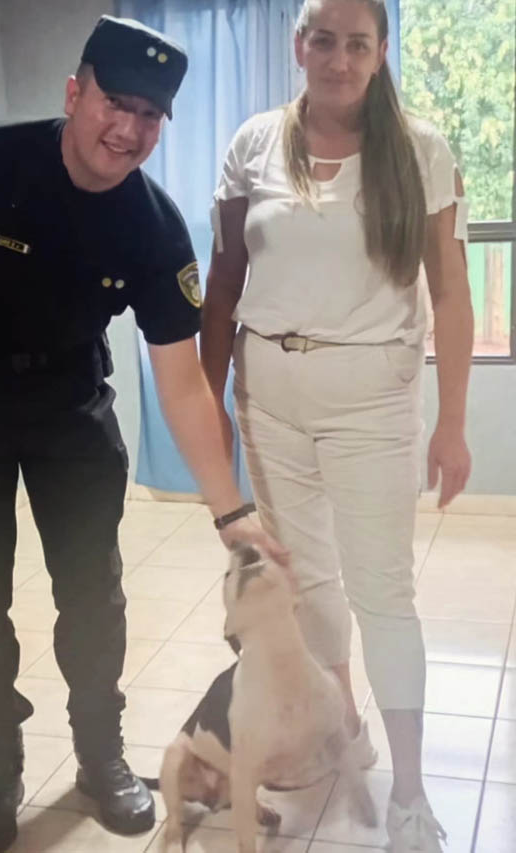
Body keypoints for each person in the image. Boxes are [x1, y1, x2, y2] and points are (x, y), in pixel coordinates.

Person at [0, 15, 286, 853]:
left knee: (94, 594)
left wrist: (230, 511)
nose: (129, 129)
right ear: (75, 93)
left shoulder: (154, 227)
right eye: (115, 102)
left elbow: (182, 383)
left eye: (150, 114)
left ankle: (102, 757)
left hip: (69, 404)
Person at [201, 0, 472, 850]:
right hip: (270, 396)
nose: (340, 60)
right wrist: (207, 402)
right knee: (308, 587)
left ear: (381, 52)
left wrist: (452, 423)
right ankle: (343, 730)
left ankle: (412, 793)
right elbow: (223, 281)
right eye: (324, 40)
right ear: (300, 45)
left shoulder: (420, 150)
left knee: (382, 594)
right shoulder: (255, 143)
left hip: (373, 401)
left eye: (358, 44)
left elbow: (452, 294)